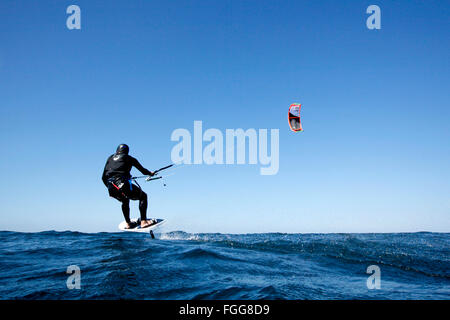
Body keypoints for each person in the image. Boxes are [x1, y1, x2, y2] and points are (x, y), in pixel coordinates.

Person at [102, 144, 156, 229]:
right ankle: (143, 222)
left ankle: (128, 223)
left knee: (125, 200)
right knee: (143, 196)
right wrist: (151, 173)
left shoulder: (110, 158)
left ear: (117, 151)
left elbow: (103, 177)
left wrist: (110, 190)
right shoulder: (129, 158)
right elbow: (143, 171)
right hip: (122, 184)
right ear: (127, 152)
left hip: (111, 186)